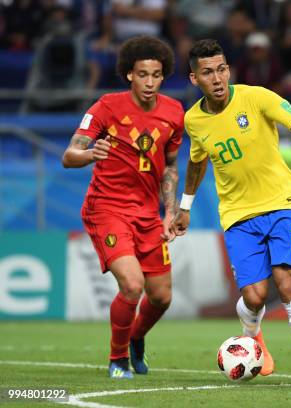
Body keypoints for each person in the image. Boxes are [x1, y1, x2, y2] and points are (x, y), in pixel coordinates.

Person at [171, 39, 291, 389]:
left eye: (222, 69)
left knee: (287, 284)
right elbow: (195, 165)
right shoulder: (193, 121)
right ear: (194, 79)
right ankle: (255, 343)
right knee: (253, 296)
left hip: (284, 204)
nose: (218, 78)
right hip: (238, 216)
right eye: (208, 72)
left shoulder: (257, 96)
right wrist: (184, 207)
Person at [62, 36, 184, 379]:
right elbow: (68, 155)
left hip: (148, 214)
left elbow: (171, 165)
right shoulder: (106, 106)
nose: (149, 82)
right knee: (132, 286)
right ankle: (118, 361)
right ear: (129, 74)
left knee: (161, 298)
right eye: (142, 74)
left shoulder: (174, 112)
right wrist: (89, 154)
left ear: (163, 76)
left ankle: (136, 337)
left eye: (156, 75)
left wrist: (170, 210)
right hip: (107, 209)